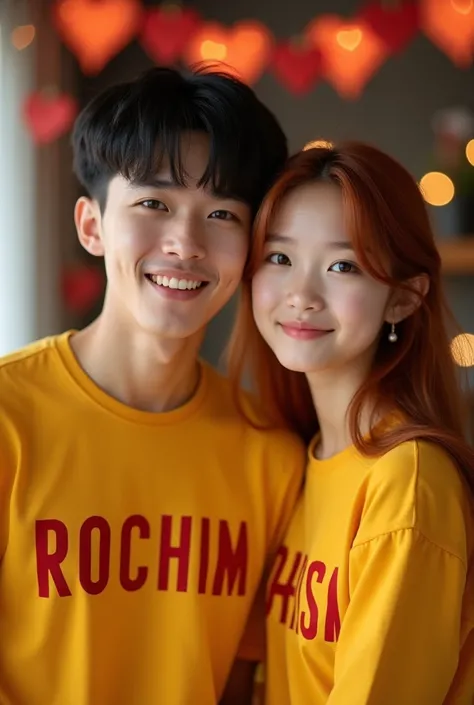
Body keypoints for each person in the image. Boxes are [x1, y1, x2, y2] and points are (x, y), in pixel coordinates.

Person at [0, 66, 305, 705]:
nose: (185, 243)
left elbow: (240, 683)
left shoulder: (271, 455)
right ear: (92, 225)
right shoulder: (10, 419)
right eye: (153, 204)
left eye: (222, 213)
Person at [228, 141, 474, 704]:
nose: (301, 295)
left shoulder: (406, 482)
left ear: (404, 299)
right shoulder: (297, 460)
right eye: (280, 257)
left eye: (343, 265)